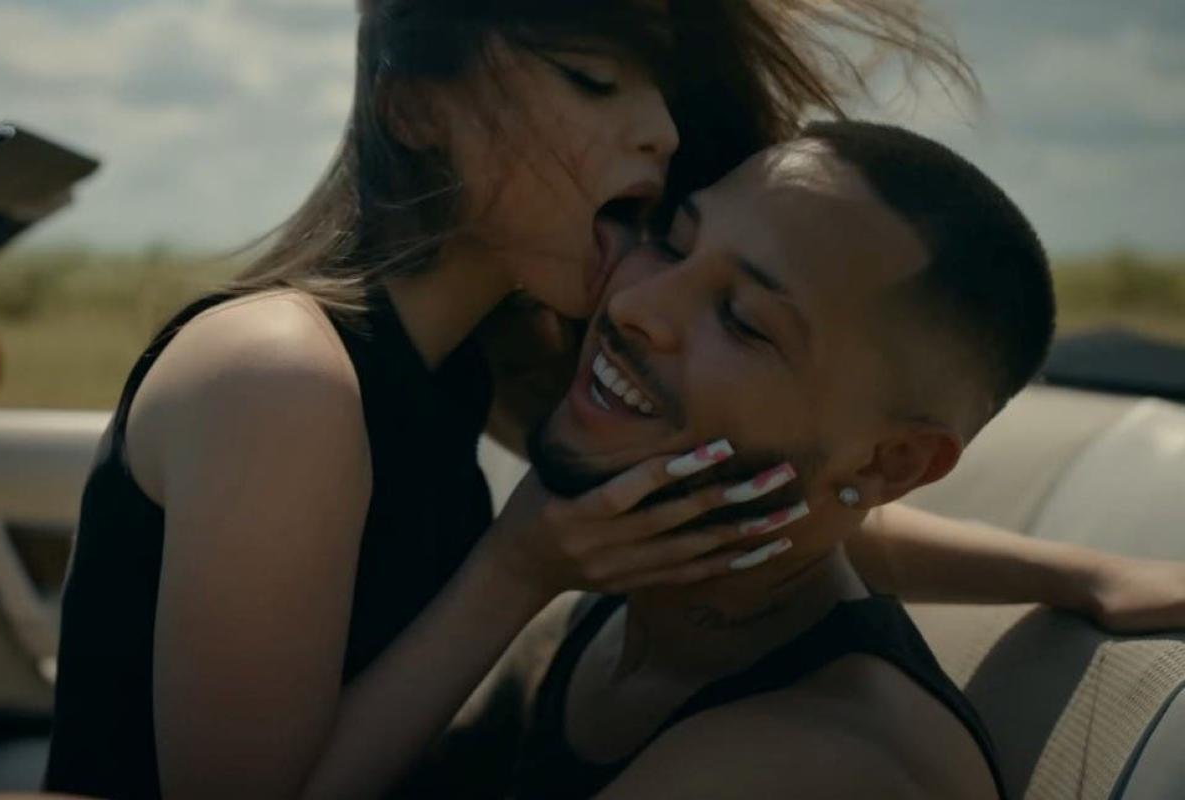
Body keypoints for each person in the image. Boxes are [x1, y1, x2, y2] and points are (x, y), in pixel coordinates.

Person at [45, 2, 1185, 798]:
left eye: (661, 92)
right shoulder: (285, 376)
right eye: (592, 82)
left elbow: (750, 505)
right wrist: (512, 570)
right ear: (416, 110)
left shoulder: (471, 357)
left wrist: (1077, 573)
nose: (662, 133)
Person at [413, 121, 1048, 799]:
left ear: (887, 464)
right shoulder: (606, 618)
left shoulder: (822, 758)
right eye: (671, 242)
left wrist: (508, 572)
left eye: (743, 320)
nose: (632, 305)